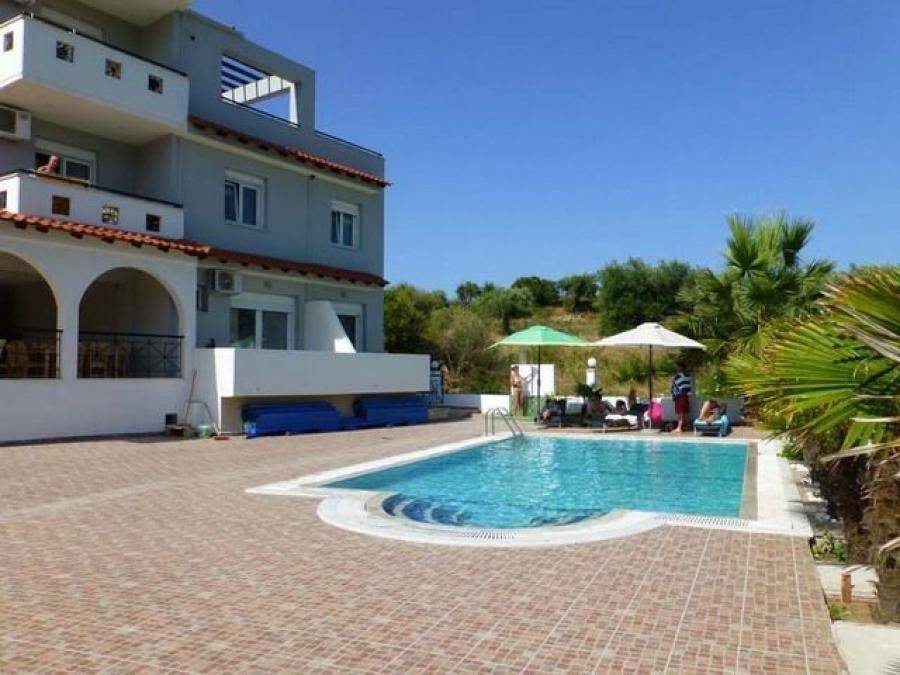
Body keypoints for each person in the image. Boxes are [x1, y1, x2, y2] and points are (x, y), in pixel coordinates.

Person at [671, 361, 693, 433]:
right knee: (685, 411)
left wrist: (673, 395)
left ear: (680, 367)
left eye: (677, 367)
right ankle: (685, 426)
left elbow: (674, 386)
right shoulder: (688, 376)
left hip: (680, 395)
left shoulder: (677, 376)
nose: (676, 368)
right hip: (686, 395)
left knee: (680, 412)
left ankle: (679, 427)